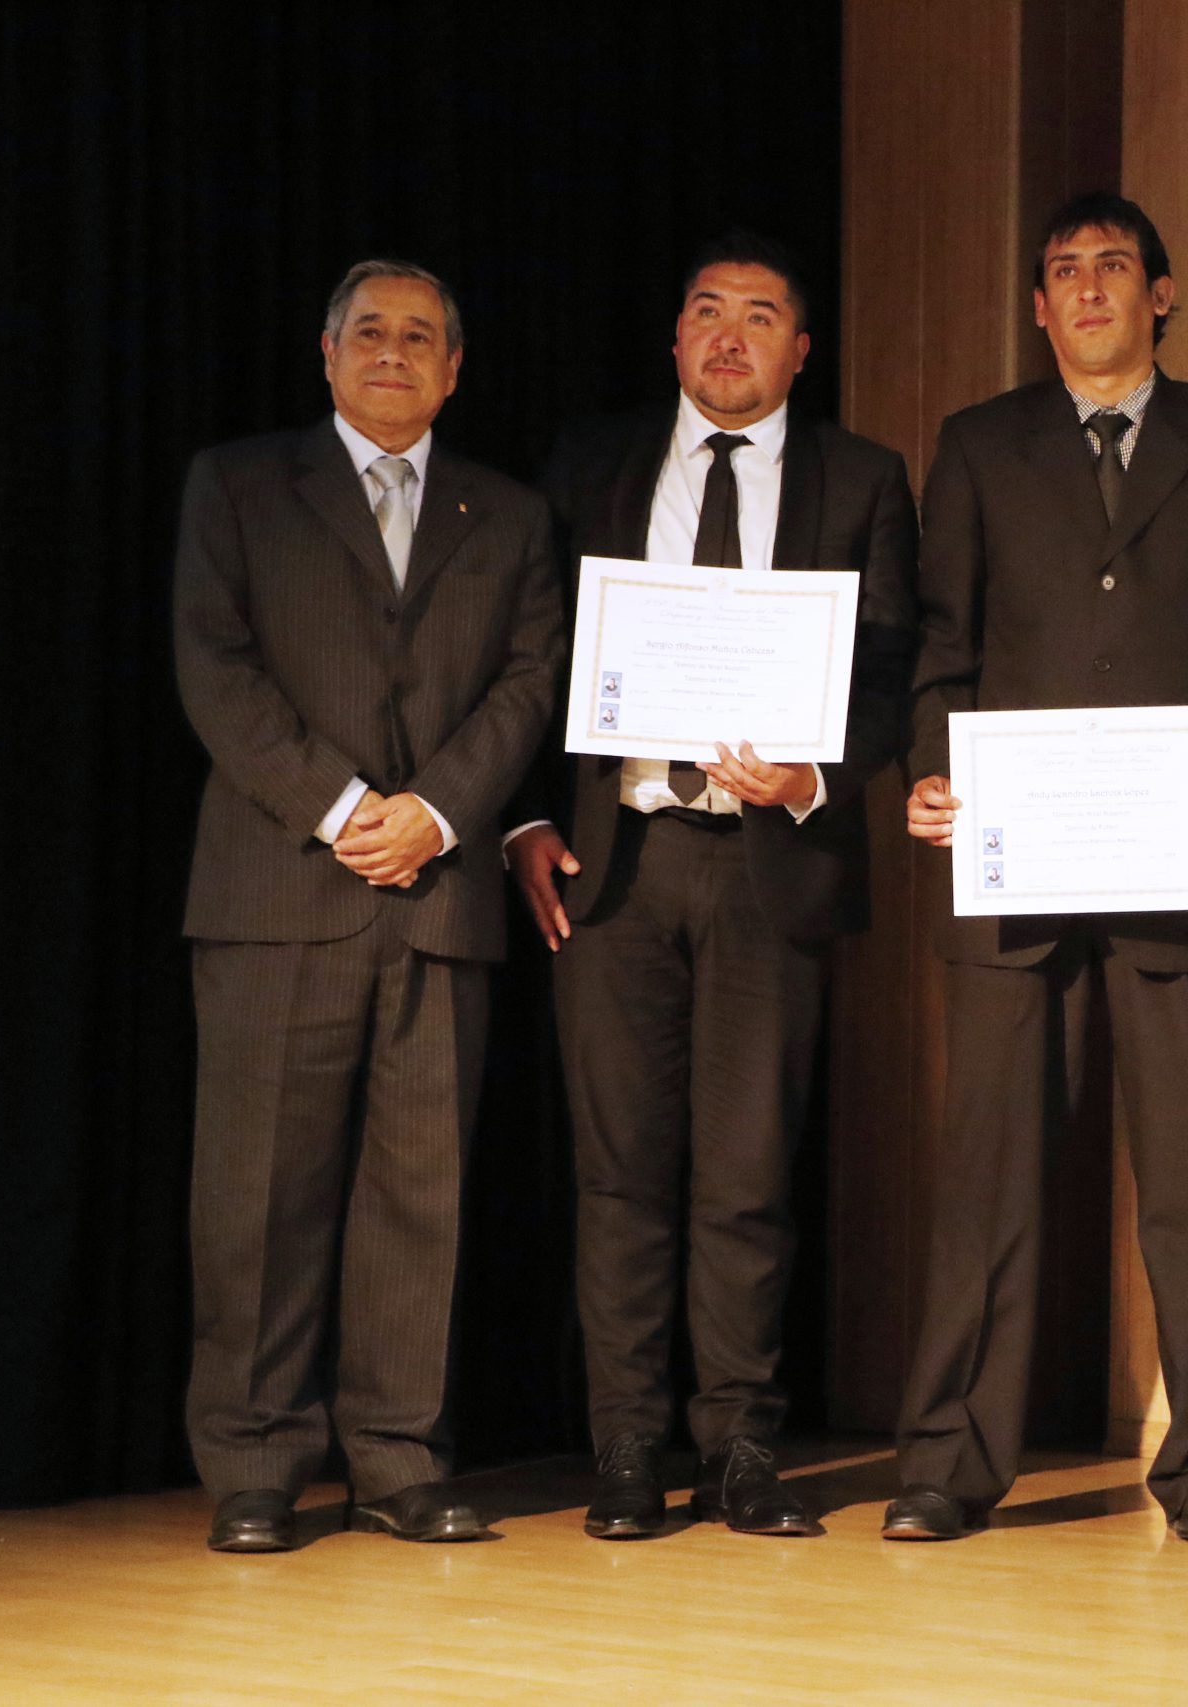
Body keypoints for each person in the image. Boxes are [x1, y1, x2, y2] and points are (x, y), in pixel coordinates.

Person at [888, 192, 1188, 1544]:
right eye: (1061, 269)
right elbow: (942, 646)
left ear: (1160, 294)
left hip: (1176, 861)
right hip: (1015, 863)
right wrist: (933, 768)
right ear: (1037, 305)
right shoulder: (979, 445)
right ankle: (948, 1466)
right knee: (991, 1181)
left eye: (1112, 266)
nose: (1085, 288)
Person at [505, 232, 918, 1539]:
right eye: (706, 311)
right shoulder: (590, 465)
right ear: (676, 338)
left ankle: (740, 1446)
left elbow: (893, 671)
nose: (730, 335)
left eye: (760, 315)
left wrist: (812, 777)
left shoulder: (862, 478)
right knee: (619, 1174)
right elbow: (528, 653)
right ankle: (626, 1448)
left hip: (766, 865)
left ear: (802, 349)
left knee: (747, 1176)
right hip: (615, 863)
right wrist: (523, 816)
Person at [174, 260, 564, 1551]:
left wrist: (436, 811)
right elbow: (215, 670)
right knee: (259, 1196)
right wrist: (344, 807)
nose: (393, 351)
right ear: (328, 353)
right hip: (280, 886)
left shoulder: (509, 514)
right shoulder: (238, 485)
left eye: (419, 336)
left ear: (454, 370)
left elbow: (528, 682)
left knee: (419, 1195)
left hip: (438, 891)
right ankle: (254, 1463)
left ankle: (399, 1459)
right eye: (371, 332)